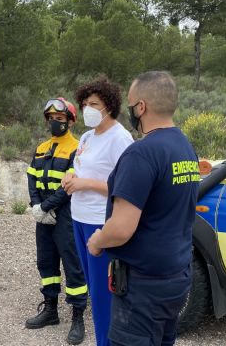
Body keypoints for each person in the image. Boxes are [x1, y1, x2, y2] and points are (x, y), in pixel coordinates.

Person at [87, 71, 200, 345]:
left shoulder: (141, 153)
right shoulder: (184, 147)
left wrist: (98, 241)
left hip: (143, 287)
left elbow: (122, 228)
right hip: (176, 277)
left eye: (130, 103)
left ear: (141, 107)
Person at [62, 78, 133, 346]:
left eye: (94, 104)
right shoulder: (87, 136)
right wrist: (71, 176)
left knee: (104, 296)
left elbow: (125, 188)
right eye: (84, 104)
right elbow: (81, 168)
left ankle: (106, 342)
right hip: (79, 218)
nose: (87, 109)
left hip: (100, 223)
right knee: (94, 289)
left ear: (109, 106)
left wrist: (85, 183)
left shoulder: (121, 138)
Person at [25, 98, 88, 345]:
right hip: (43, 214)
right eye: (51, 119)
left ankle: (78, 317)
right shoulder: (41, 148)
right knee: (46, 263)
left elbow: (70, 186)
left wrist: (47, 206)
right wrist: (36, 207)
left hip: (66, 214)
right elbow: (31, 178)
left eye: (60, 119)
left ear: (70, 121)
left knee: (73, 265)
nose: (55, 123)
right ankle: (51, 310)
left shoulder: (77, 148)